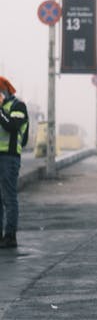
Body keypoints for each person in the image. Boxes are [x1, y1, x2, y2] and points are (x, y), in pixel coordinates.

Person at [0, 76, 29, 250]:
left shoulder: (18, 106)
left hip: (9, 158)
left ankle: (10, 236)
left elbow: (12, 126)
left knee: (9, 198)